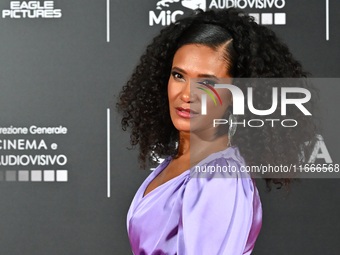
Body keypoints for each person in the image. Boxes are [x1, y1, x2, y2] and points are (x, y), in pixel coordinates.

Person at [117, 8, 316, 255]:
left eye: (207, 83)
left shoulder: (220, 176)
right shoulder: (177, 162)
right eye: (179, 75)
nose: (187, 95)